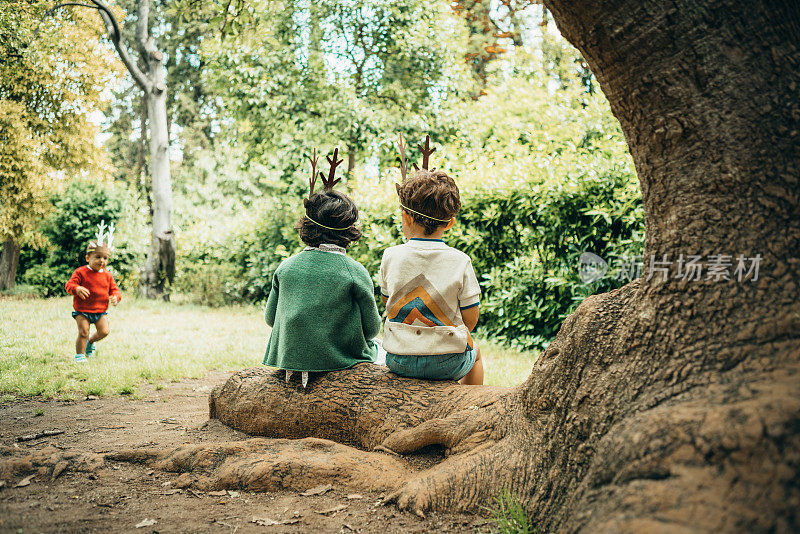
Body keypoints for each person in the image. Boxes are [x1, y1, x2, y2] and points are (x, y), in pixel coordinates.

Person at [263, 148, 381, 387]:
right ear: (350, 232)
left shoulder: (286, 267)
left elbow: (270, 318)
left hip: (288, 360)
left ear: (306, 226)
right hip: (339, 361)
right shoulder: (354, 270)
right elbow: (372, 329)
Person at [378, 136, 483, 385]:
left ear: (405, 217)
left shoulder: (390, 255)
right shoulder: (460, 261)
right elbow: (471, 319)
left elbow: (387, 301)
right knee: (476, 354)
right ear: (449, 223)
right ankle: (472, 405)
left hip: (398, 359)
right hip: (448, 360)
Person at [65, 224, 122, 363]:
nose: (101, 261)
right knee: (83, 331)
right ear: (87, 258)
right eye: (97, 257)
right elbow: (69, 285)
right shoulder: (80, 272)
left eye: (105, 258)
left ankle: (91, 341)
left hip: (100, 311)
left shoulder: (107, 275)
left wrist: (116, 297)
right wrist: (77, 289)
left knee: (104, 331)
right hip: (82, 310)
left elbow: (115, 289)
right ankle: (80, 355)